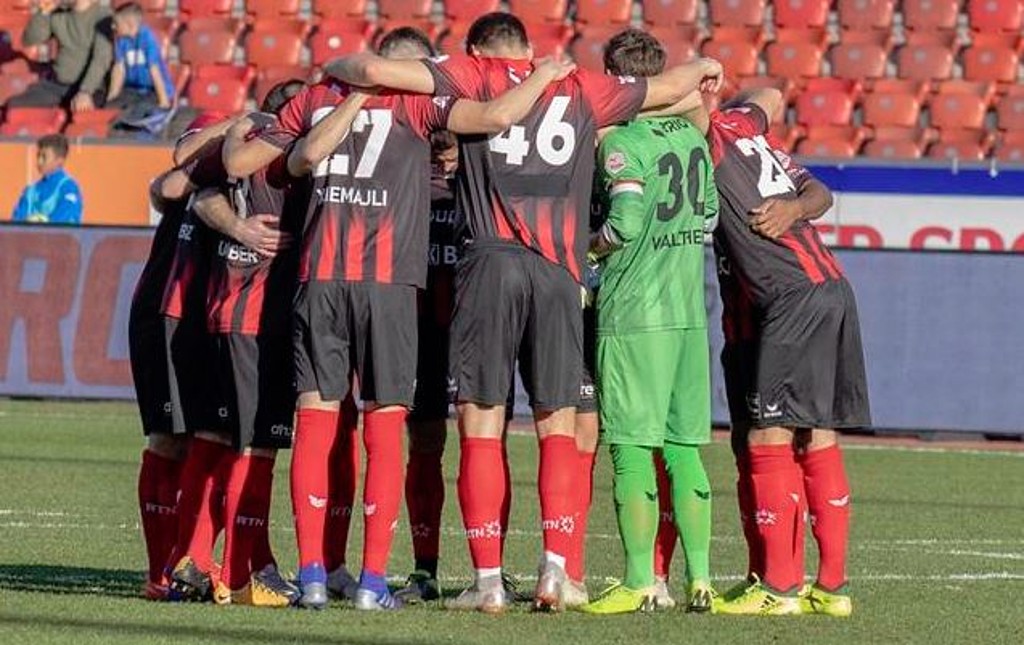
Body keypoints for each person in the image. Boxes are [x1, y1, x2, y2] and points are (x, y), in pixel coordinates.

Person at [326, 11, 724, 613]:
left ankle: (487, 582)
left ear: (475, 48)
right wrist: (709, 69)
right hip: (561, 270)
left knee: (482, 423)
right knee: (557, 424)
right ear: (529, 47)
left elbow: (377, 70)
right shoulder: (580, 83)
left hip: (490, 263)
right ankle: (555, 571)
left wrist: (335, 68)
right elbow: (679, 85)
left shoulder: (470, 73)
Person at [223, 26, 577, 611]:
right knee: (384, 429)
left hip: (321, 280)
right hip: (389, 288)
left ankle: (312, 576)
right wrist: (541, 76)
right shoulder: (420, 101)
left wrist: (341, 91)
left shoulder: (317, 96)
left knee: (317, 422)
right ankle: (370, 582)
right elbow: (492, 118)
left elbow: (255, 159)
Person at [676, 87, 870, 617]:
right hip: (800, 298)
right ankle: (823, 587)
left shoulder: (716, 134)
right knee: (805, 433)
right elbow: (774, 99)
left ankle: (780, 588)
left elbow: (814, 192)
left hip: (790, 298)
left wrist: (694, 84)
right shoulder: (755, 134)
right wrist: (795, 205)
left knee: (770, 435)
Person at [578, 29, 719, 615]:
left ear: (617, 80)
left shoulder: (620, 139)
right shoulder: (690, 135)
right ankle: (702, 580)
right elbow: (708, 211)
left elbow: (628, 220)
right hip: (689, 313)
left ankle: (639, 581)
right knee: (685, 449)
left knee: (632, 448)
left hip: (637, 313)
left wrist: (590, 248)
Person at [187, 79, 310, 608]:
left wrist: (233, 225)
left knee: (224, 442)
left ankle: (202, 562)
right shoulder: (289, 159)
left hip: (231, 314)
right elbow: (187, 184)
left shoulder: (242, 152)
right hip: (258, 319)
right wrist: (241, 228)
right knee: (255, 450)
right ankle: (240, 579)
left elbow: (194, 186)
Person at [394, 127, 458, 604]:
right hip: (422, 336)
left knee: (484, 439)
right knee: (427, 443)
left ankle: (489, 573)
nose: (444, 161)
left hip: (475, 330)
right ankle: (425, 566)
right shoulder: (404, 188)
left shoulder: (481, 185)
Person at [10, 0, 113, 113]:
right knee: (14, 107)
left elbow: (101, 58)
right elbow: (30, 40)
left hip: (89, 88)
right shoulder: (59, 14)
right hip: (56, 85)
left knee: (81, 116)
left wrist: (86, 91)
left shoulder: (102, 16)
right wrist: (43, 12)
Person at [107, 2, 175, 133]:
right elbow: (119, 69)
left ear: (130, 24)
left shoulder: (147, 38)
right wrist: (112, 96)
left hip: (153, 90)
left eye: (116, 23)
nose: (113, 27)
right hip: (134, 90)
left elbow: (154, 69)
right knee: (112, 108)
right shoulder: (121, 41)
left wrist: (164, 101)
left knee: (141, 108)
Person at [12, 134, 83, 224]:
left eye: (44, 157)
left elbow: (65, 218)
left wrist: (42, 222)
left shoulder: (68, 188)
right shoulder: (30, 191)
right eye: (38, 156)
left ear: (59, 160)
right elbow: (17, 221)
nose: (39, 161)